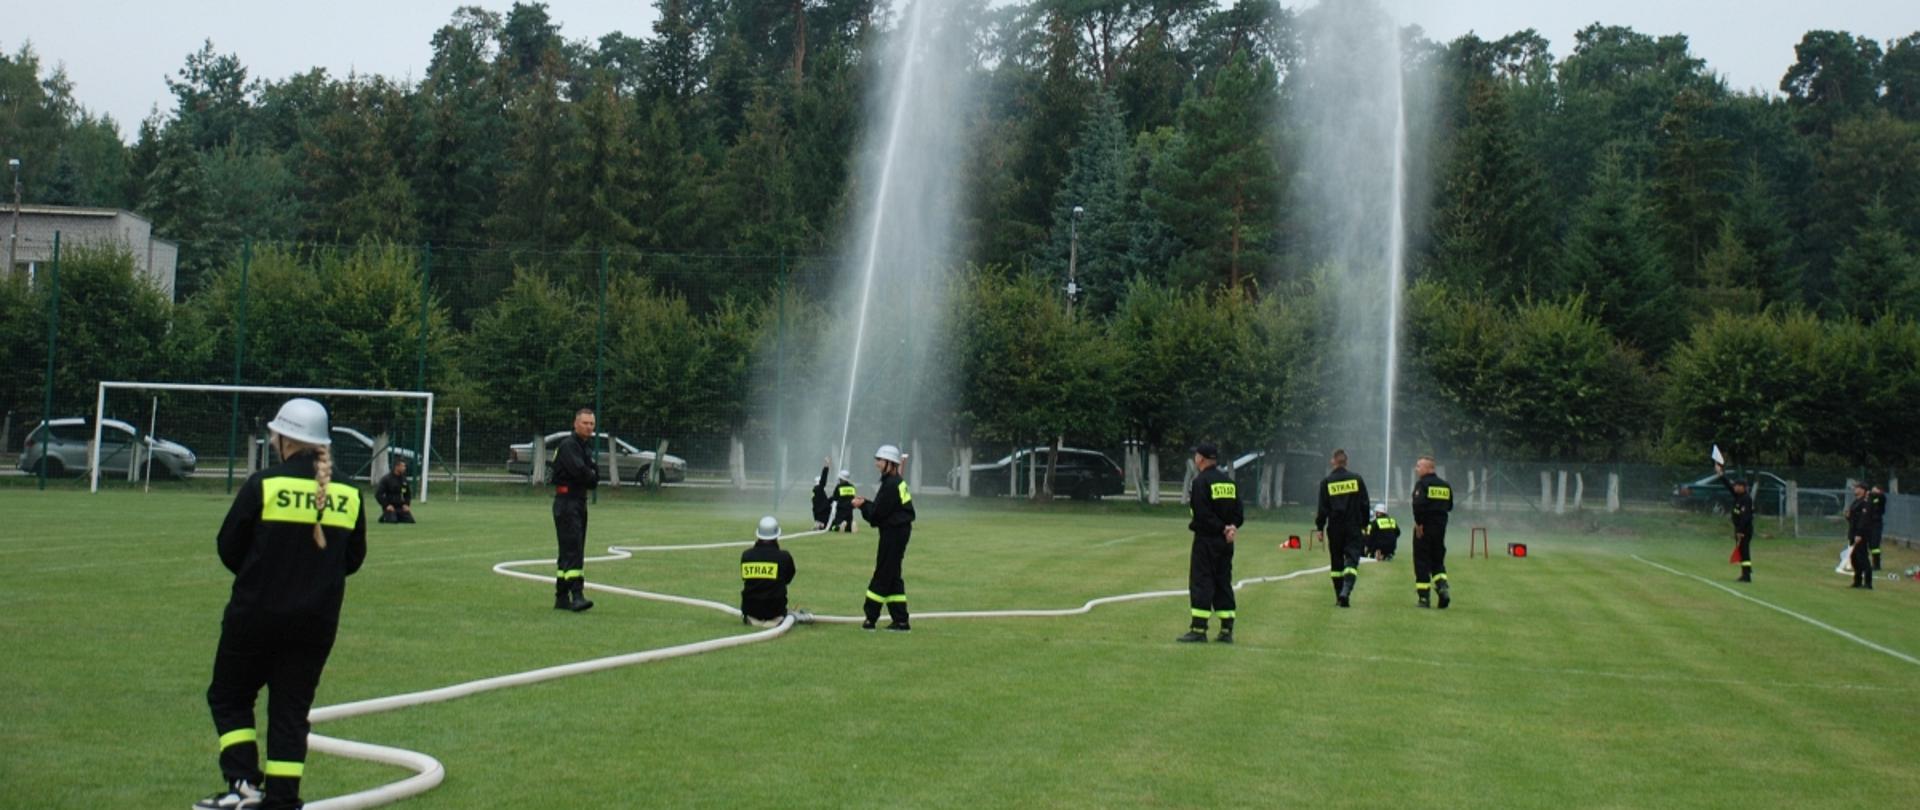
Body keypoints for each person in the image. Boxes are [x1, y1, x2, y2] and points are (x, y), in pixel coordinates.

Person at [197, 398, 367, 810]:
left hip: (255, 615)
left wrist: (266, 576)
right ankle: (283, 798)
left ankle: (242, 783)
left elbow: (228, 548)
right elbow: (352, 560)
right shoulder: (349, 493)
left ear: (285, 438)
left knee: (230, 696)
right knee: (291, 711)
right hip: (316, 622)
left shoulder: (264, 485)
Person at [1177, 443, 1244, 644]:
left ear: (1201, 459)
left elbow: (1202, 515)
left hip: (1207, 540)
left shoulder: (1200, 482)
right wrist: (1231, 527)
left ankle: (1198, 629)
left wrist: (1222, 528)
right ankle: (1226, 630)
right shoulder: (1229, 483)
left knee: (1202, 581)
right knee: (1223, 581)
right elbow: (1239, 513)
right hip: (1226, 542)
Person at [852, 444, 915, 631]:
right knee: (893, 574)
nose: (876, 464)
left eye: (879, 460)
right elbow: (883, 509)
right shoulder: (895, 481)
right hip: (898, 531)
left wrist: (862, 505)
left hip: (894, 533)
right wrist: (867, 504)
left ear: (890, 463)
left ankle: (870, 617)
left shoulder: (890, 485)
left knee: (882, 573)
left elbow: (876, 515)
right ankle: (901, 620)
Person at [552, 408, 599, 612]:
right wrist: (590, 474)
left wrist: (591, 474)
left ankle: (561, 597)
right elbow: (582, 472)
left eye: (592, 424)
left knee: (569, 549)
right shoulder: (569, 446)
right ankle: (577, 595)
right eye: (585, 423)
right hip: (568, 501)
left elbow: (595, 475)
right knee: (573, 549)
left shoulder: (583, 447)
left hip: (578, 500)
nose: (589, 427)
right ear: (575, 423)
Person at [1315, 448, 1370, 608]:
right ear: (1346, 462)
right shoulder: (1357, 479)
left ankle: (1339, 595)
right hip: (1353, 526)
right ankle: (1347, 589)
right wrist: (1365, 524)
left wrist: (1320, 527)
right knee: (1352, 559)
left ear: (1334, 461)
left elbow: (1322, 508)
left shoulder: (1327, 482)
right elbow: (1365, 504)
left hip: (1335, 527)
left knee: (1336, 563)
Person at [1410, 456, 1454, 609]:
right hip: (1440, 530)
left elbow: (1418, 505)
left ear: (1429, 468)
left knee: (1421, 562)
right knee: (1437, 561)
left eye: (1419, 466)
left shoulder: (1422, 484)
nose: (1417, 469)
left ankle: (1424, 598)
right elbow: (1449, 507)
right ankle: (1442, 587)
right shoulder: (1445, 485)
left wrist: (1419, 523)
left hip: (1424, 529)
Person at [741, 516, 798, 628]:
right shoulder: (784, 557)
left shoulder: (747, 556)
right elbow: (788, 578)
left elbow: (747, 580)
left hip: (751, 610)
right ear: (776, 535)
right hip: (775, 611)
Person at [1714, 462, 1754, 582]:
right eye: (1735, 485)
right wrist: (1720, 473)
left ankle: (1747, 575)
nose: (1735, 487)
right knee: (1742, 551)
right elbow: (1728, 485)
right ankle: (1744, 573)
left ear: (1743, 487)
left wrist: (1741, 531)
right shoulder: (1738, 496)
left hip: (1744, 530)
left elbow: (1746, 517)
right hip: (1739, 529)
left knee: (1744, 551)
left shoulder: (1746, 499)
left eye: (1738, 486)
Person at [1846, 482, 1876, 590]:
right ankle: (1857, 581)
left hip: (1860, 534)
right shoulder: (1856, 502)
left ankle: (1868, 583)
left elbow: (1864, 520)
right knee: (1854, 558)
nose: (1855, 489)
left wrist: (1859, 534)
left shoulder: (1865, 502)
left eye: (1857, 488)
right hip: (1853, 533)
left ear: (1863, 490)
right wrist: (1848, 516)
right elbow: (1853, 518)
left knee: (1862, 558)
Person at [375, 459, 414, 524]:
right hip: (390, 506)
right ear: (397, 467)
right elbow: (378, 494)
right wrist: (386, 505)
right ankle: (384, 516)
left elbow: (407, 494)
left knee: (410, 521)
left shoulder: (404, 479)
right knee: (393, 521)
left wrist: (406, 504)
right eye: (403, 466)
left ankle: (395, 515)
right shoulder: (386, 479)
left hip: (400, 506)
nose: (404, 468)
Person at [810, 457, 834, 531]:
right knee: (831, 526)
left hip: (818, 515)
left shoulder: (816, 491)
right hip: (823, 515)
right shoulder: (819, 489)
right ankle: (821, 525)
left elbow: (824, 502)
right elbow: (823, 479)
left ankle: (819, 524)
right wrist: (826, 466)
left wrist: (833, 497)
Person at [831, 468, 858, 533]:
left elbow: (835, 498)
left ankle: (840, 526)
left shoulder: (839, 487)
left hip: (841, 510)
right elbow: (853, 498)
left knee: (832, 527)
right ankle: (851, 525)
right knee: (848, 528)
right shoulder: (852, 487)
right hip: (849, 511)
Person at [1868, 484, 1887, 571]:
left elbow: (1880, 496)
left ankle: (1877, 565)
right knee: (1871, 545)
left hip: (1877, 524)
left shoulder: (1881, 497)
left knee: (1875, 545)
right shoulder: (1871, 498)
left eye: (1874, 490)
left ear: (1879, 490)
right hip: (1869, 523)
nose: (1872, 491)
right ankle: (1871, 564)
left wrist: (1870, 493)